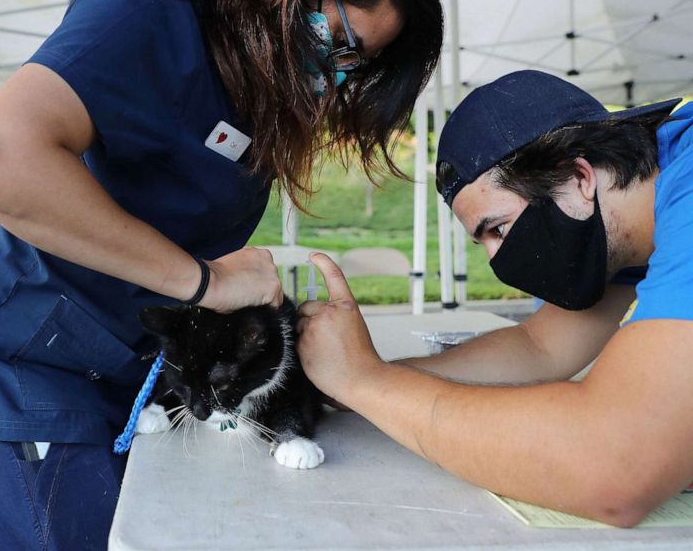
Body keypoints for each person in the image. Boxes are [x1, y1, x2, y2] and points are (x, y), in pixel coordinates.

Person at [0, 0, 444, 548]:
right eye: (337, 44)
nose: (333, 78)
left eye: (356, 67)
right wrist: (204, 282)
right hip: (24, 352)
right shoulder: (149, 10)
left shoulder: (260, 82)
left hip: (137, 369)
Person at [297, 70, 693, 528]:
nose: (497, 258)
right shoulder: (638, 218)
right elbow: (539, 348)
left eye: (498, 228)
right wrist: (354, 377)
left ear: (579, 175)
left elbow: (618, 468)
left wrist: (366, 383)